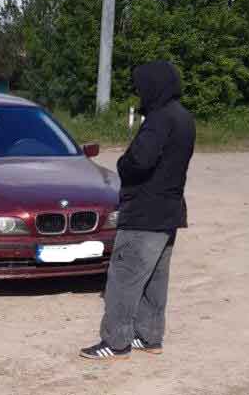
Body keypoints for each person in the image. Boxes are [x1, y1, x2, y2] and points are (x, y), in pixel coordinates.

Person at [80, 60, 195, 360]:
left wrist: (122, 164)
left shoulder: (158, 119)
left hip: (144, 212)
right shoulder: (184, 118)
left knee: (124, 277)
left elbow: (139, 161)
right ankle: (150, 337)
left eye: (141, 86)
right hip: (169, 212)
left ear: (153, 86)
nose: (139, 92)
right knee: (156, 279)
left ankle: (116, 342)